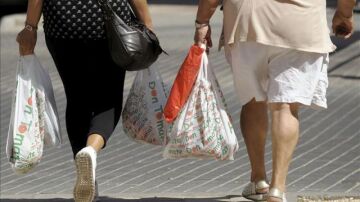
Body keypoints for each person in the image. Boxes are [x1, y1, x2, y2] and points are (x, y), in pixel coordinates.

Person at [194, 0, 356, 201]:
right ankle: (277, 189)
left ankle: (259, 179)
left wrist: (202, 22)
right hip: (301, 23)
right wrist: (344, 13)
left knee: (253, 100)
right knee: (285, 106)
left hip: (248, 21)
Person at [16, 0, 154, 201]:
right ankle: (90, 152)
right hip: (107, 23)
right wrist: (148, 24)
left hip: (63, 24)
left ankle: (88, 175)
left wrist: (30, 27)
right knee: (108, 97)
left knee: (76, 97)